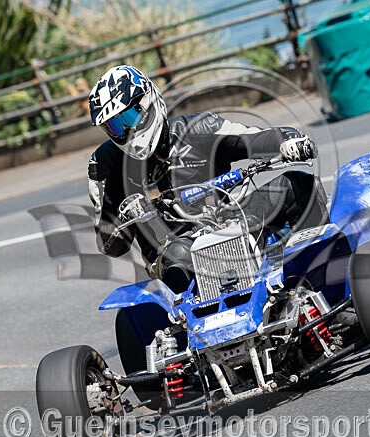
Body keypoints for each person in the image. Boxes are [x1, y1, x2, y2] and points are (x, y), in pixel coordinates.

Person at [87, 65, 328, 292]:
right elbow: (110, 245)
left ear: (148, 103)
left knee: (294, 184)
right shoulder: (105, 166)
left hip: (236, 220)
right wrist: (126, 217)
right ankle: (198, 322)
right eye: (115, 127)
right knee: (177, 262)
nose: (126, 132)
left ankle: (325, 272)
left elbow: (255, 139)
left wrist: (289, 141)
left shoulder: (201, 128)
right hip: (175, 250)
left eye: (128, 119)